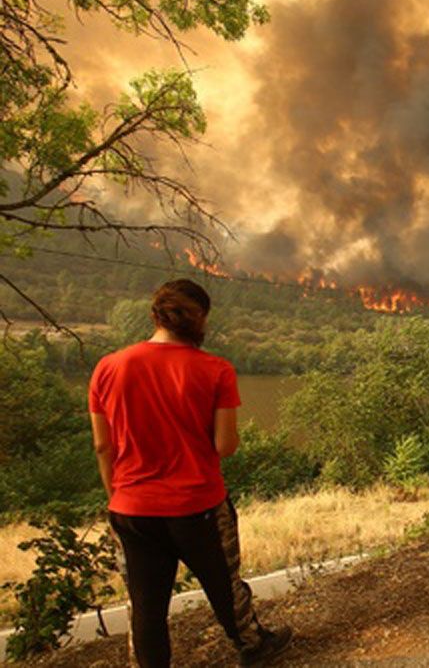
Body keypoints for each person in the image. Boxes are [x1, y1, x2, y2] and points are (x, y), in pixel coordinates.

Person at [89, 280, 292, 667]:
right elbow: (224, 446)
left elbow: (103, 445)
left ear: (155, 315)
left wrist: (116, 494)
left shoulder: (108, 367)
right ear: (201, 321)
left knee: (146, 605)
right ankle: (253, 644)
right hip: (197, 505)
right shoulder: (215, 370)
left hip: (131, 509)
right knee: (225, 586)